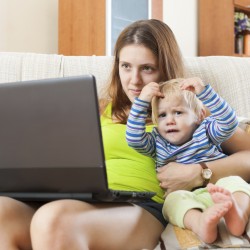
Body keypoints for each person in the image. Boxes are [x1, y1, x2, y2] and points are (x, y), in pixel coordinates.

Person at [0, 19, 249, 250]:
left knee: (54, 218)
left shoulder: (188, 113)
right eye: (126, 66)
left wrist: (200, 171)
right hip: (74, 197)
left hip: (138, 206)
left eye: (147, 68)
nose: (134, 80)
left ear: (166, 68)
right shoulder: (94, 106)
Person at [126, 77, 250, 243]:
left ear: (199, 116)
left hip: (220, 186)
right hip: (186, 195)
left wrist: (205, 93)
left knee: (236, 182)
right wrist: (142, 102)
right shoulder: (157, 141)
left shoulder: (206, 130)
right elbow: (134, 139)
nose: (170, 120)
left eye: (178, 112)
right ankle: (200, 223)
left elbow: (229, 122)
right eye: (162, 115)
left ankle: (238, 214)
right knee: (172, 202)